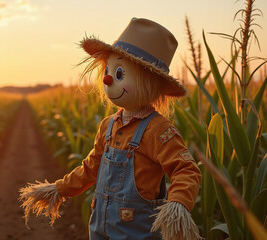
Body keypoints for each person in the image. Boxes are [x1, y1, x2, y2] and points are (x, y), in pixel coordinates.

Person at [19, 18, 202, 240]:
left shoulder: (158, 129)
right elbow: (90, 168)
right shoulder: (108, 125)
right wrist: (60, 188)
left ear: (150, 82)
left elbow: (186, 169)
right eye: (108, 69)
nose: (107, 79)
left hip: (137, 233)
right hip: (99, 228)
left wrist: (178, 203)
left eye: (119, 74)